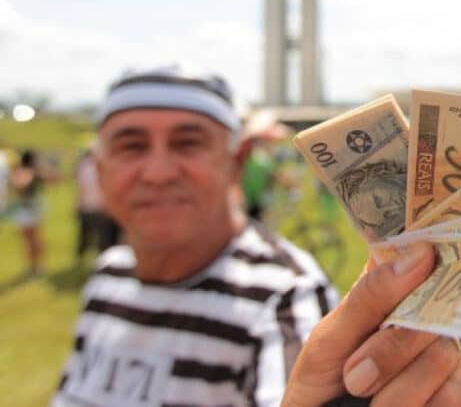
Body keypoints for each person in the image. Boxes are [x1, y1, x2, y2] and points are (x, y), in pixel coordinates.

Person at [54, 66, 344, 406]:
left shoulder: (285, 297)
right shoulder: (109, 274)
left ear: (237, 161)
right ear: (100, 169)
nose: (158, 174)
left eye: (188, 144)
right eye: (131, 147)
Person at [74, 147, 119, 261]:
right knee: (102, 239)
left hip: (96, 207)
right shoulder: (90, 167)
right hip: (97, 207)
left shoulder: (85, 166)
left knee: (101, 238)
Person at [9, 148, 46, 274]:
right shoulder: (24, 171)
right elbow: (20, 185)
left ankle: (36, 266)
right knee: (29, 240)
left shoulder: (29, 171)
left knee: (33, 240)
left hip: (32, 209)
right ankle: (33, 266)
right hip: (25, 209)